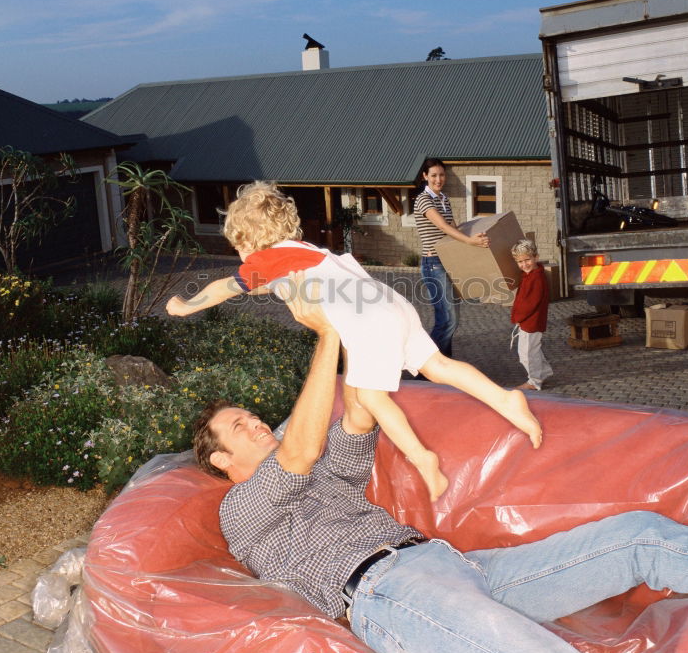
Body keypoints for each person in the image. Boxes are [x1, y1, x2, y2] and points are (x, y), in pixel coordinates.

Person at [193, 277, 688, 653]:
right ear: (221, 460)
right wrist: (325, 336)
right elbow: (296, 455)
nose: (258, 423)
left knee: (639, 537)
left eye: (255, 416)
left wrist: (354, 326)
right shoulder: (241, 510)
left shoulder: (325, 470)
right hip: (389, 593)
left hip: (458, 565)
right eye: (240, 427)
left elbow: (356, 411)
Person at [169, 182, 542, 501]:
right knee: (438, 365)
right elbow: (263, 287)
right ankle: (506, 398)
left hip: (368, 321)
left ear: (249, 241)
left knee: (371, 397)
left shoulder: (267, 260)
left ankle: (422, 458)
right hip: (389, 303)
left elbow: (226, 287)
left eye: (238, 248)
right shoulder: (305, 252)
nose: (240, 258)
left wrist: (186, 305)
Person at [413, 158, 488, 358]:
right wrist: (470, 242)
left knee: (451, 320)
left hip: (448, 262)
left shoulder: (444, 199)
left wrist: (475, 238)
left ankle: (443, 366)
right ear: (425, 176)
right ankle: (427, 368)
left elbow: (453, 229)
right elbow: (443, 227)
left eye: (442, 175)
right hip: (433, 264)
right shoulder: (423, 199)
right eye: (434, 175)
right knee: (447, 320)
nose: (439, 179)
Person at [510, 238, 553, 391]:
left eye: (527, 260)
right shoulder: (530, 275)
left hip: (531, 322)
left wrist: (517, 317)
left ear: (536, 257)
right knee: (533, 349)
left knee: (527, 353)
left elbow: (530, 303)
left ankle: (534, 381)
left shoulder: (535, 278)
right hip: (530, 321)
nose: (524, 264)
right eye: (520, 262)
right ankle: (544, 372)